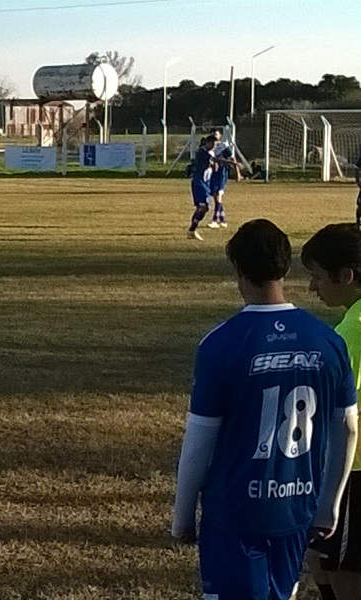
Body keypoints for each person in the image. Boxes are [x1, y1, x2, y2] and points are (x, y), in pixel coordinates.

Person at [171, 219, 358, 600]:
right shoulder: (327, 340)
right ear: (285, 268)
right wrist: (329, 506)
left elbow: (199, 442)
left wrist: (182, 517)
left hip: (236, 513)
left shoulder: (220, 344)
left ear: (238, 271)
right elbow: (348, 427)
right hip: (296, 507)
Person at [302, 223, 361, 599]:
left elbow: (337, 411)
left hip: (353, 471)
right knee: (320, 558)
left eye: (318, 276)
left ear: (347, 276)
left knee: (346, 574)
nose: (312, 287)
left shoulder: (352, 332)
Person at [187, 136, 216, 240]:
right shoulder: (202, 152)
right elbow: (214, 159)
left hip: (205, 184)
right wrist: (233, 163)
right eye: (212, 144)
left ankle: (192, 230)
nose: (213, 146)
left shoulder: (209, 153)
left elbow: (213, 166)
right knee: (203, 207)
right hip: (199, 183)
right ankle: (191, 230)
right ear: (207, 143)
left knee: (203, 208)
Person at [208, 145, 239, 229]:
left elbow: (232, 158)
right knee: (216, 197)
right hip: (214, 174)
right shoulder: (211, 146)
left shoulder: (224, 146)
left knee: (219, 195)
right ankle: (222, 220)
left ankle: (214, 220)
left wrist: (237, 173)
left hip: (222, 174)